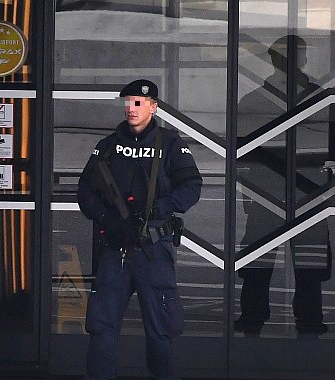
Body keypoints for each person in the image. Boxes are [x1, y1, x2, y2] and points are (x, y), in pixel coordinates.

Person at [78, 79, 202, 379]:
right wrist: (107, 219)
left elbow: (191, 186)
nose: (130, 108)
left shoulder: (170, 144)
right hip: (115, 249)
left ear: (153, 107)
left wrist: (160, 208)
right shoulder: (108, 146)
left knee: (161, 329)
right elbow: (86, 190)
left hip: (153, 249)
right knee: (102, 327)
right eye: (128, 102)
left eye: (138, 103)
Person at [235, 35, 335, 334]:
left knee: (259, 260)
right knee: (309, 261)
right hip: (308, 187)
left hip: (267, 188)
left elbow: (240, 148)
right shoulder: (318, 98)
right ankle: (309, 318)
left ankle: (253, 316)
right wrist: (311, 154)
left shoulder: (254, 100)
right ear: (301, 60)